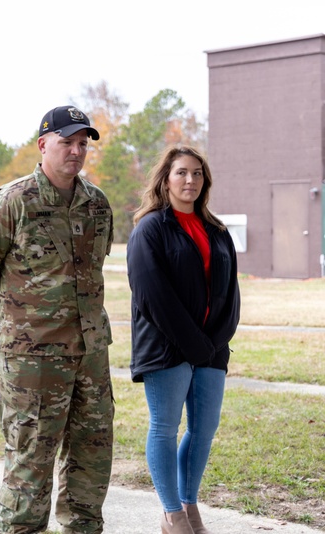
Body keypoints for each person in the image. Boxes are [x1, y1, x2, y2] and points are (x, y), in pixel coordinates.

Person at [0, 105, 115, 534]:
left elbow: (95, 266)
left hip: (90, 353)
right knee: (31, 460)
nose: (76, 152)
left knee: (93, 455)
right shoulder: (13, 201)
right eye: (67, 142)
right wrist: (22, 318)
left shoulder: (96, 204)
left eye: (83, 144)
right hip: (33, 360)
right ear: (43, 144)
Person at [126, 145, 240, 534]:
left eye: (197, 173)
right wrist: (192, 343)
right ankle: (172, 515)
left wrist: (215, 340)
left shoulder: (218, 231)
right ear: (165, 179)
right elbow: (151, 294)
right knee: (164, 427)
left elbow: (231, 293)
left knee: (204, 429)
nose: (190, 180)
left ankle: (190, 508)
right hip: (166, 348)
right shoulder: (150, 228)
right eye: (181, 173)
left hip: (211, 350)